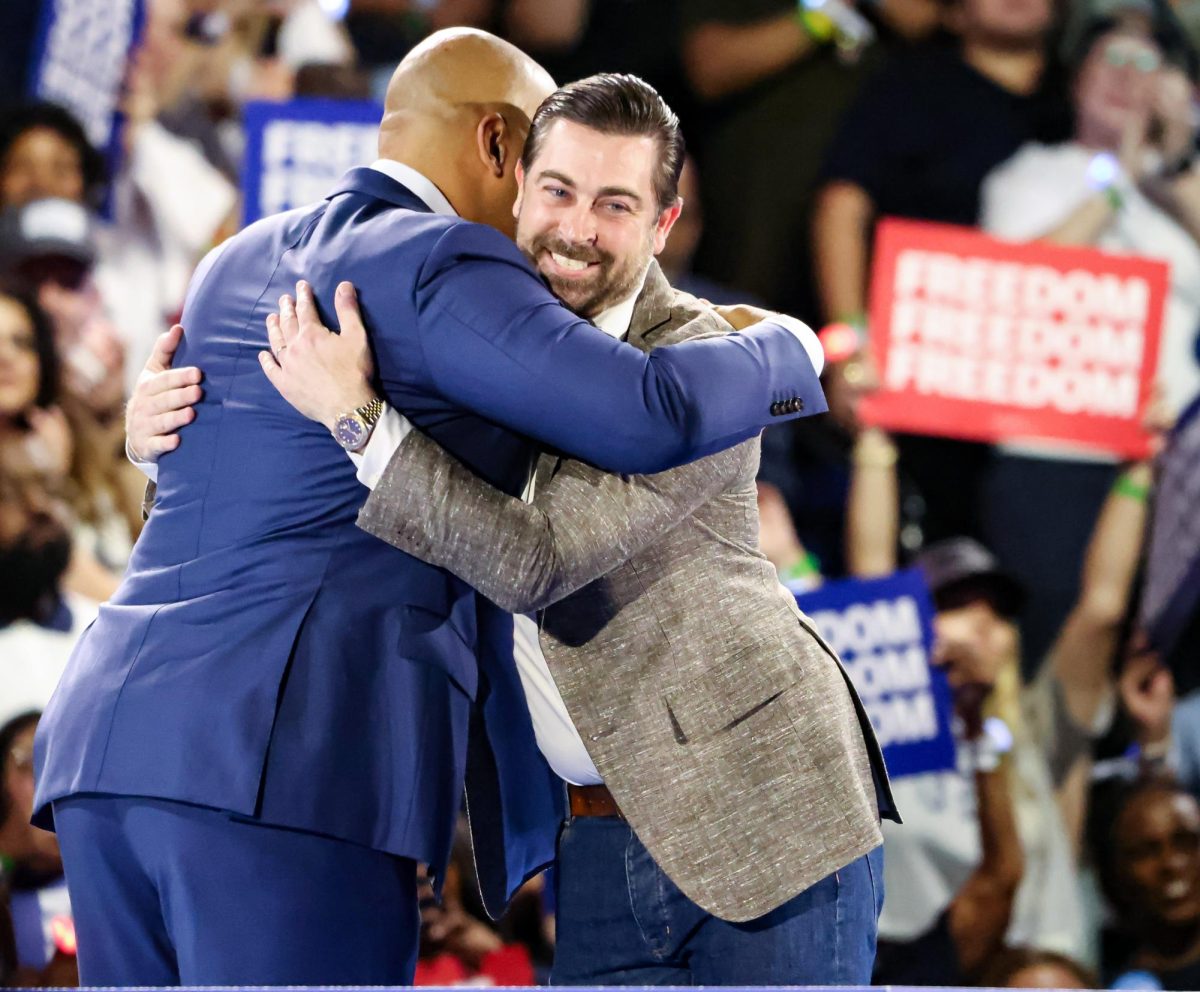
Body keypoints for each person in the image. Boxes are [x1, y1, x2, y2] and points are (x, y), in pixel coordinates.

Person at [34, 29, 825, 987]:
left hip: (108, 755)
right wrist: (790, 350)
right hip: (285, 767)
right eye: (541, 163)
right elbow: (651, 411)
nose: (547, 204)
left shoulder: (235, 259)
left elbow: (218, 470)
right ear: (497, 146)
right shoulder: (443, 259)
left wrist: (138, 438)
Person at [979, 20, 1200, 662]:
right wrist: (1118, 180)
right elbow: (1013, 282)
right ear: (1076, 79)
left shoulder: (1184, 185)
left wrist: (1174, 163)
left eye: (1147, 64)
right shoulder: (1030, 174)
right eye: (1112, 59)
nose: (1129, 77)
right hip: (1055, 455)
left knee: (1159, 658)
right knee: (1061, 644)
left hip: (1174, 456)